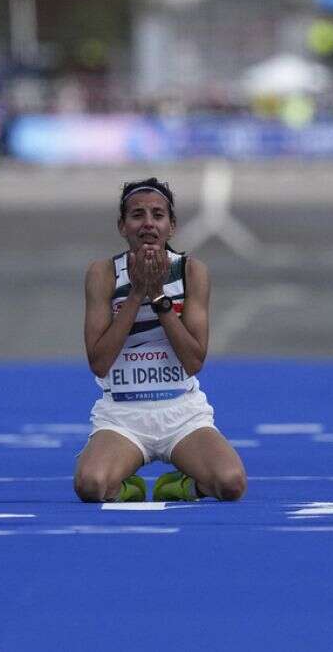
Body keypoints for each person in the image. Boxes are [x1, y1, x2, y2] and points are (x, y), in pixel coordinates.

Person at [74, 177, 247, 503]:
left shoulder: (191, 272)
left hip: (181, 414)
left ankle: (179, 485)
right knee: (91, 486)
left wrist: (157, 297)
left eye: (158, 215)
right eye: (137, 215)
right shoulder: (103, 274)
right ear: (122, 226)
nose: (148, 224)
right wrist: (136, 292)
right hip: (123, 416)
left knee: (231, 484)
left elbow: (194, 360)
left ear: (172, 226)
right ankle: (126, 487)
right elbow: (99, 363)